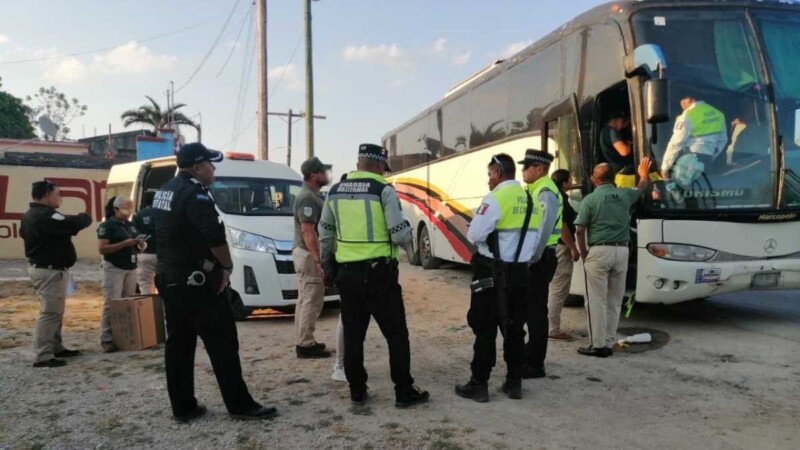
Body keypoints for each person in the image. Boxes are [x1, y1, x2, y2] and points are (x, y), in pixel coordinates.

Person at [153, 142, 276, 422]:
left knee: (180, 346)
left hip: (170, 279)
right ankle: (240, 405)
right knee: (222, 343)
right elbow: (214, 237)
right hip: (196, 284)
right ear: (197, 167)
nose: (213, 168)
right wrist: (227, 266)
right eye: (210, 163)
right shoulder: (195, 194)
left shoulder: (165, 190)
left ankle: (183, 407)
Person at [319, 143, 429, 408]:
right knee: (396, 335)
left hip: (347, 274)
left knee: (354, 335)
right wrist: (407, 234)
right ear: (380, 165)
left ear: (359, 164)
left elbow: (325, 234)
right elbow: (400, 234)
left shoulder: (334, 192)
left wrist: (328, 267)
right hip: (380, 276)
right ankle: (403, 391)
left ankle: (357, 390)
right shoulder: (383, 190)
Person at [455, 153, 537, 402]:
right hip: (521, 272)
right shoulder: (530, 200)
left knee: (485, 328)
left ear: (499, 172)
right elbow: (533, 243)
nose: (488, 180)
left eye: (490, 174)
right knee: (515, 328)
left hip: (492, 272)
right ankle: (514, 383)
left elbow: (474, 233)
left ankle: (479, 384)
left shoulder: (496, 197)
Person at [575, 158, 652, 357]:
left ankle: (598, 345)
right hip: (622, 251)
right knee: (614, 300)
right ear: (612, 179)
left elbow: (580, 229)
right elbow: (641, 188)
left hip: (599, 252)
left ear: (594, 180)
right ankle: (609, 343)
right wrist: (643, 174)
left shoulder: (590, 200)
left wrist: (584, 254)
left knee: (595, 301)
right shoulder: (625, 195)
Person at [20, 180, 92, 368]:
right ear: (46, 194)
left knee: (56, 311)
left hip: (49, 269)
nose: (60, 197)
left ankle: (56, 346)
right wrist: (84, 217)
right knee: (50, 313)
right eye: (57, 194)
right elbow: (71, 223)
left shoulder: (30, 215)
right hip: (49, 270)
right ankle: (43, 354)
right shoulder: (45, 215)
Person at [517, 149, 561, 380]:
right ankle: (530, 356)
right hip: (537, 259)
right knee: (530, 310)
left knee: (535, 313)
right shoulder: (534, 190)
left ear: (541, 168)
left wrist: (531, 258)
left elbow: (543, 231)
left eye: (527, 166)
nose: (523, 170)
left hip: (539, 259)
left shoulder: (546, 192)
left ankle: (535, 364)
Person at [293, 156, 333, 359]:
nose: (326, 175)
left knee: (304, 299)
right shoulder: (308, 198)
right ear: (313, 175)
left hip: (305, 253)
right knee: (312, 299)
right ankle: (306, 345)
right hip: (308, 254)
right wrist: (318, 259)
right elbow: (308, 231)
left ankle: (303, 339)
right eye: (322, 172)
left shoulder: (313, 195)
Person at [97, 196, 143, 353]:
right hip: (114, 268)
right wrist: (124, 244)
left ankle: (124, 336)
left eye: (130, 208)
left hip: (131, 266)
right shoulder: (107, 225)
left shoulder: (131, 225)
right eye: (124, 208)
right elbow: (102, 248)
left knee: (127, 303)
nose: (128, 212)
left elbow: (134, 243)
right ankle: (106, 338)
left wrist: (140, 244)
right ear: (116, 209)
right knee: (112, 302)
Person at [547, 169, 580, 341]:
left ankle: (550, 325)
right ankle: (553, 329)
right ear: (564, 183)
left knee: (555, 287)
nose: (573, 182)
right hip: (561, 248)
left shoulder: (553, 197)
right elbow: (562, 227)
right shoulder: (561, 200)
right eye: (570, 179)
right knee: (559, 289)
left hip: (553, 248)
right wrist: (573, 247)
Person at [661, 94, 727, 180]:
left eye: (681, 100)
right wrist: (710, 156)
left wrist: (665, 167)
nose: (680, 104)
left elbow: (676, 143)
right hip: (708, 162)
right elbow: (723, 140)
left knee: (688, 192)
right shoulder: (718, 114)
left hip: (689, 163)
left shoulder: (687, 116)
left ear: (688, 99)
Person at [331, 172, 349, 383]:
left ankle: (345, 363)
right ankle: (341, 365)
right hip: (346, 267)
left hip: (346, 267)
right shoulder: (336, 204)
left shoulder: (336, 202)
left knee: (349, 318)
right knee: (346, 319)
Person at [599, 112, 636, 188]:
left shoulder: (604, 132)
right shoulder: (612, 131)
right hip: (625, 175)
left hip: (618, 174)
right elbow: (624, 151)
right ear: (614, 120)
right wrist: (629, 144)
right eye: (622, 121)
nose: (623, 125)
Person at [132, 192, 158, 295]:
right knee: (164, 283)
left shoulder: (138, 215)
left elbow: (134, 234)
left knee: (145, 285)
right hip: (162, 254)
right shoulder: (162, 213)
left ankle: (148, 309)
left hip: (144, 254)